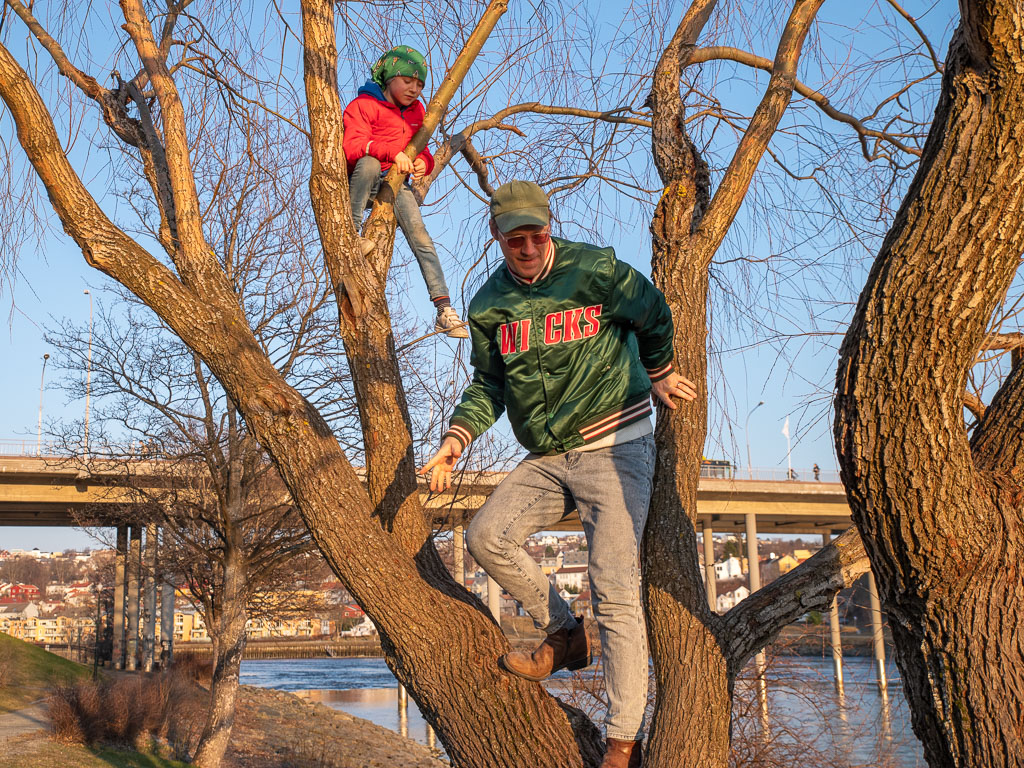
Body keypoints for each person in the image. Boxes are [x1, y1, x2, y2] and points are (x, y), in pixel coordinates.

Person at [421, 180, 697, 768]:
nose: (527, 248)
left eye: (537, 235)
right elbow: (489, 385)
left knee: (614, 589)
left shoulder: (595, 272)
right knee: (485, 536)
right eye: (515, 239)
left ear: (550, 228)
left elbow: (653, 312)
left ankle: (622, 741)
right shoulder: (489, 305)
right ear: (497, 236)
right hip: (548, 456)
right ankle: (567, 634)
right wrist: (453, 442)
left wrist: (660, 372)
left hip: (615, 445)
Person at [343, 45, 467, 339]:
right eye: (408, 81)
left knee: (420, 235)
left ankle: (444, 309)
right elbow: (352, 147)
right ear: (389, 78)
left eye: (420, 84)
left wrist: (424, 162)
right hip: (364, 179)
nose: (414, 89)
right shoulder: (363, 105)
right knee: (371, 163)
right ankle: (351, 235)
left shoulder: (417, 112)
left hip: (396, 183)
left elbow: (421, 149)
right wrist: (392, 153)